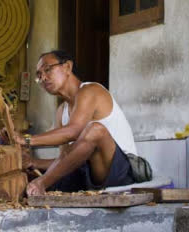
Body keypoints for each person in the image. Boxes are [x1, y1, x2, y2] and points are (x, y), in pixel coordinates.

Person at [14, 50, 138, 196]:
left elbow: (74, 131)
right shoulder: (61, 111)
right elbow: (66, 159)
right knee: (27, 179)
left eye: (47, 69)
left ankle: (41, 183)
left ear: (67, 67)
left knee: (95, 130)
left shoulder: (91, 90)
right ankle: (38, 184)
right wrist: (34, 162)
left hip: (122, 172)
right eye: (39, 75)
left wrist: (26, 140)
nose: (43, 78)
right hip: (89, 173)